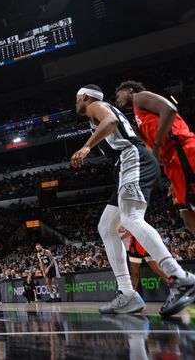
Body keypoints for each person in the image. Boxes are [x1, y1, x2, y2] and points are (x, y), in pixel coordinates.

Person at [72, 84, 195, 316]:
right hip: (127, 165)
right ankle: (127, 293)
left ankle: (180, 277)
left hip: (131, 159)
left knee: (130, 218)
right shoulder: (100, 111)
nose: (76, 102)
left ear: (85, 97)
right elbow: (141, 140)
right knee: (107, 227)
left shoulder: (97, 106)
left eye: (77, 98)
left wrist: (87, 147)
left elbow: (111, 122)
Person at [115, 81, 195, 234]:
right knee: (185, 210)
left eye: (119, 95)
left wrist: (157, 145)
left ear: (130, 90)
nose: (117, 100)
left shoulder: (139, 97)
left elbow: (170, 109)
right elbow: (148, 144)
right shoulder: (138, 116)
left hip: (183, 149)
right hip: (173, 162)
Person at [119, 226, 168, 295]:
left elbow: (131, 231)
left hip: (145, 246)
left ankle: (174, 283)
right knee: (135, 275)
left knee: (156, 269)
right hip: (135, 248)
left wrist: (118, 239)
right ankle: (133, 296)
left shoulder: (133, 222)